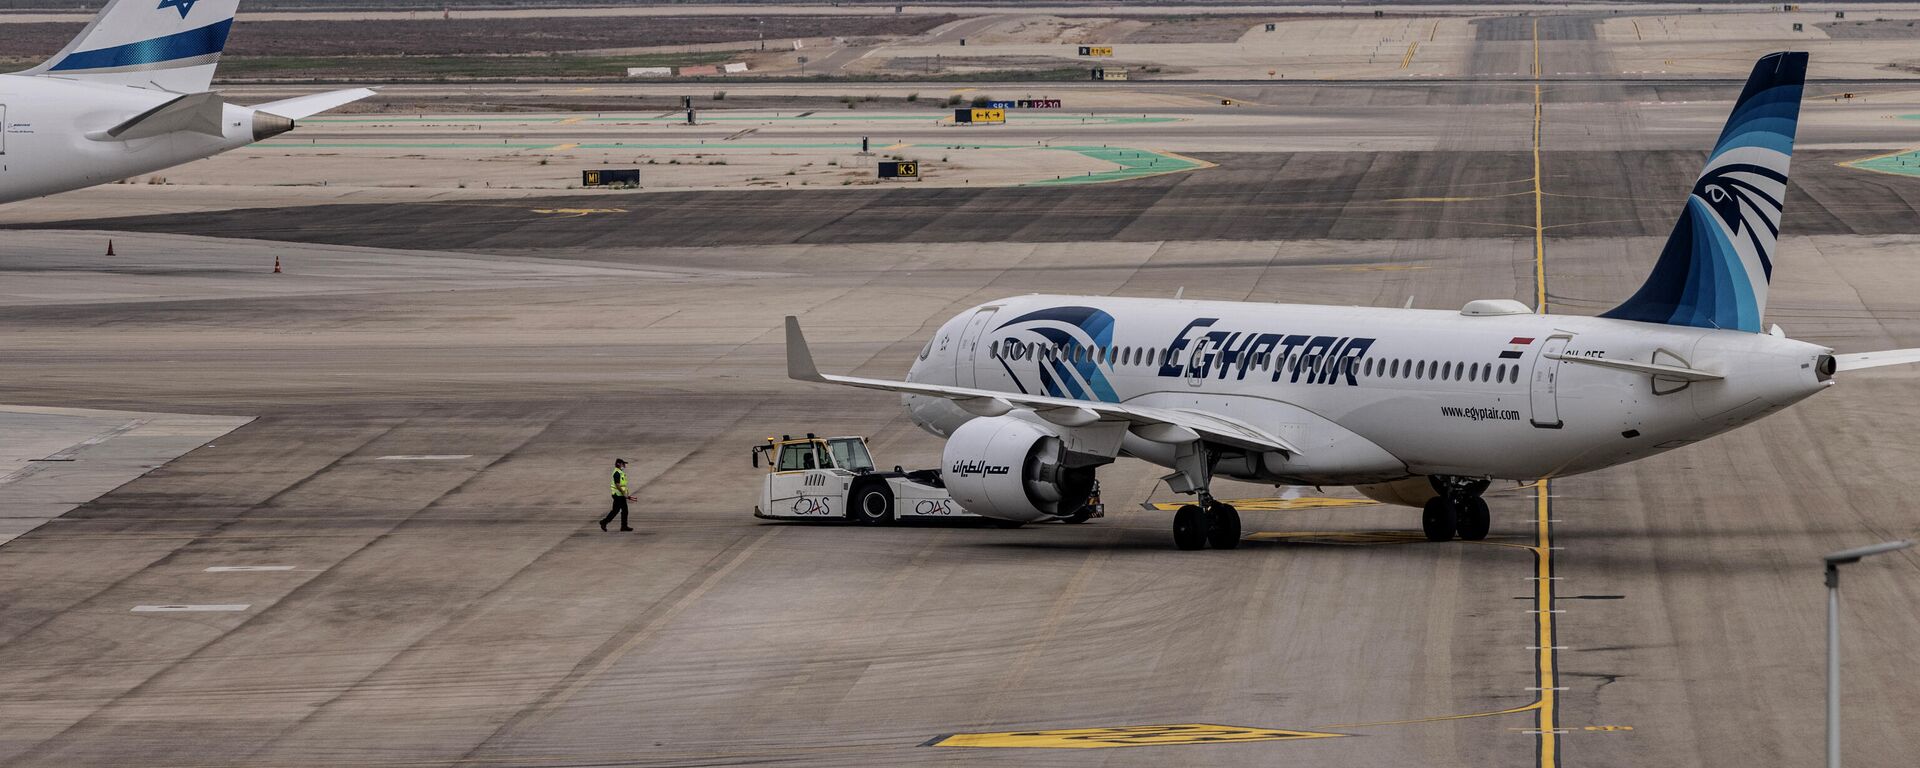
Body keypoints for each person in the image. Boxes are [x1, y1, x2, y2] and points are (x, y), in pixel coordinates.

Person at [600, 458, 634, 532]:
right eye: (623, 464)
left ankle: (623, 526)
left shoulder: (620, 472)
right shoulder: (617, 473)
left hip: (620, 495)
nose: (624, 465)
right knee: (617, 510)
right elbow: (617, 485)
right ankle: (604, 522)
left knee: (624, 510)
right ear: (618, 464)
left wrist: (626, 495)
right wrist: (624, 493)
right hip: (618, 495)